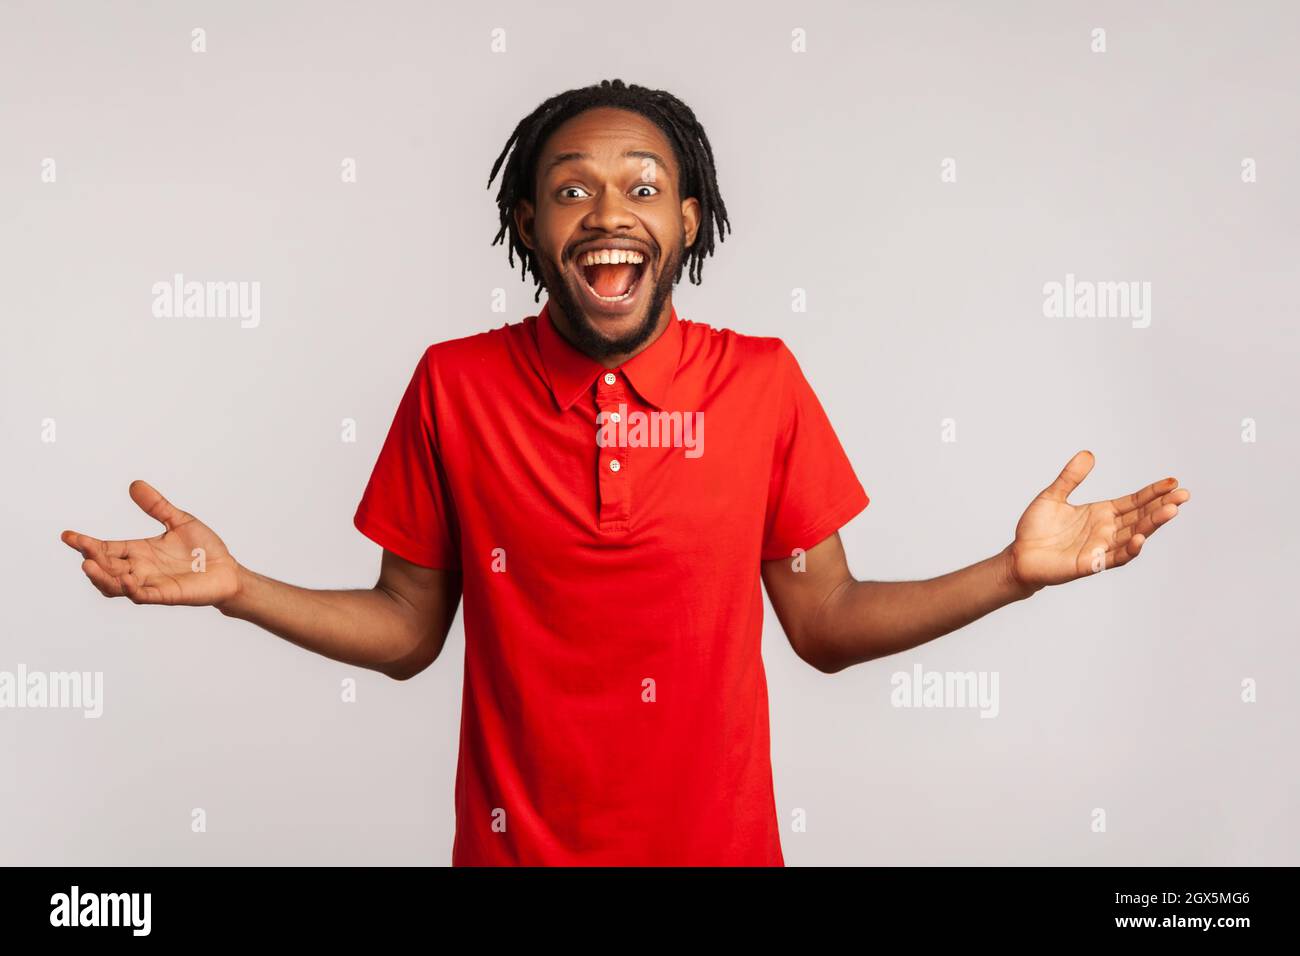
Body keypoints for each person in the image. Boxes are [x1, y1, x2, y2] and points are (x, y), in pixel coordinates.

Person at [61, 79, 1190, 866]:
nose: (609, 212)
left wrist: (1012, 572)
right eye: (571, 188)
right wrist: (241, 584)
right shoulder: (455, 387)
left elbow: (826, 618)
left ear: (689, 221)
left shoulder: (761, 384)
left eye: (644, 187)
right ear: (527, 221)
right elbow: (408, 628)